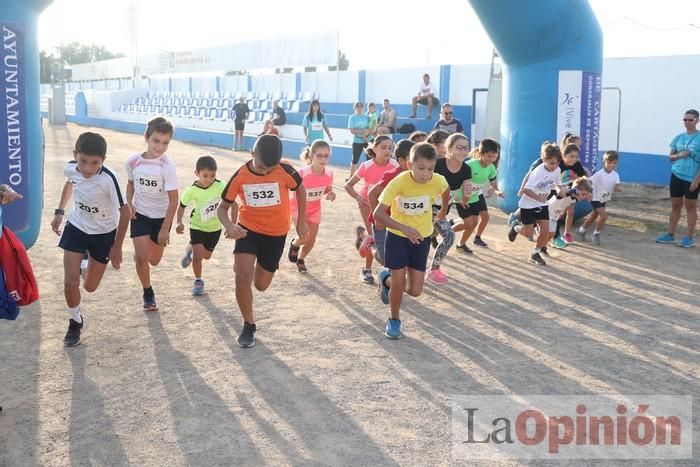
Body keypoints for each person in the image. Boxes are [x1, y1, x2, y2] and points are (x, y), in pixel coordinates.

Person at [217, 134, 308, 348]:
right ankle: (249, 325)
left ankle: (248, 265)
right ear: (252, 154)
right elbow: (222, 208)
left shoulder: (284, 170)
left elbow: (300, 189)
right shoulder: (240, 175)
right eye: (261, 167)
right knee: (242, 279)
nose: (266, 172)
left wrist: (300, 221)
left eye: (270, 168)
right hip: (248, 230)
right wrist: (230, 226)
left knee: (261, 285)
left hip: (276, 235)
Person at [51, 132, 130, 347]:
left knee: (90, 287)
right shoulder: (71, 168)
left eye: (94, 163)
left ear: (103, 160)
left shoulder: (109, 179)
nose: (87, 168)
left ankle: (85, 264)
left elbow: (125, 212)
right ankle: (75, 321)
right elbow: (70, 182)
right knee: (70, 282)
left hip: (103, 235)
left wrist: (117, 246)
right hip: (77, 227)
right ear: (75, 155)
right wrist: (59, 211)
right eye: (82, 161)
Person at [374, 142, 449, 339]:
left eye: (430, 169)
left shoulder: (438, 180)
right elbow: (378, 213)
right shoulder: (399, 182)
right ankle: (394, 320)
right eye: (421, 168)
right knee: (399, 282)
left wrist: (441, 211)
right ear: (410, 165)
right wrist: (404, 229)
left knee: (415, 291)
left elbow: (445, 189)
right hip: (398, 237)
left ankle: (385, 279)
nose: (426, 174)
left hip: (422, 238)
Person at [126, 117, 179, 311]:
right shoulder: (133, 162)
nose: (160, 147)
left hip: (161, 218)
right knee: (141, 257)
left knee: (154, 260)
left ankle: (144, 254)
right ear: (146, 137)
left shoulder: (167, 167)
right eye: (156, 141)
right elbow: (131, 184)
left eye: (165, 143)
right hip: (140, 215)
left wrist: (165, 229)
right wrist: (128, 202)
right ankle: (148, 291)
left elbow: (174, 200)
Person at [345, 135, 399, 284]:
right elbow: (348, 185)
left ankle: (362, 234)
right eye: (383, 147)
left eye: (390, 148)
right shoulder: (366, 166)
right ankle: (367, 270)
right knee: (375, 238)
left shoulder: (395, 165)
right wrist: (358, 198)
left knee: (389, 238)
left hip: (387, 207)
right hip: (367, 205)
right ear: (374, 149)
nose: (388, 151)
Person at [175, 155, 225, 295]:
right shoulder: (192, 190)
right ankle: (198, 281)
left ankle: (191, 250)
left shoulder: (221, 186)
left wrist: (231, 224)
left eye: (212, 175)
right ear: (196, 174)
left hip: (215, 228)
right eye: (205, 175)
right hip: (197, 226)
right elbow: (181, 206)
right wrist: (179, 222)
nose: (209, 179)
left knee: (206, 256)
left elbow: (232, 204)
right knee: (198, 257)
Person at [428, 133, 474, 283]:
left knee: (427, 236)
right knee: (449, 236)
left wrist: (467, 193)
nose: (463, 151)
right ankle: (434, 270)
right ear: (449, 148)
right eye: (459, 147)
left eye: (466, 148)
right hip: (427, 207)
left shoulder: (466, 169)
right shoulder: (438, 164)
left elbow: (465, 199)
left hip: (443, 210)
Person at [507, 143, 562, 266]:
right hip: (528, 205)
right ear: (544, 159)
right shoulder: (538, 172)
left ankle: (535, 253)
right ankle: (515, 227)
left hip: (542, 204)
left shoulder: (557, 170)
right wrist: (538, 198)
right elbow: (526, 189)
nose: (554, 166)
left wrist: (559, 190)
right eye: (551, 163)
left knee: (545, 232)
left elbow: (557, 183)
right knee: (528, 233)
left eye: (557, 163)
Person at [287, 140, 336, 273]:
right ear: (311, 156)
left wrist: (330, 193)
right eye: (319, 155)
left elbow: (327, 189)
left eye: (326, 156)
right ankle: (294, 244)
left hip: (315, 210)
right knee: (305, 237)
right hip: (298, 209)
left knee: (312, 240)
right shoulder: (302, 173)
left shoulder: (329, 174)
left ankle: (301, 259)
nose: (323, 159)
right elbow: (290, 188)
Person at [367, 140, 415, 270]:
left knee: (398, 257)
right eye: (413, 159)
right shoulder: (392, 176)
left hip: (399, 223)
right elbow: (372, 194)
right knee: (384, 259)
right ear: (401, 161)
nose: (417, 162)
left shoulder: (416, 177)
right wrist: (378, 220)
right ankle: (370, 244)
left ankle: (390, 282)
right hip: (382, 221)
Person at [655, 109, 700, 248]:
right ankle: (670, 235)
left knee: (690, 207)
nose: (687, 122)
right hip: (676, 175)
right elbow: (670, 157)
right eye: (685, 119)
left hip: (692, 177)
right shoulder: (679, 137)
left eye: (690, 119)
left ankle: (689, 237)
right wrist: (680, 155)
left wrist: (697, 181)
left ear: (697, 120)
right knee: (675, 206)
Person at [454, 138, 503, 250]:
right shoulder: (469, 165)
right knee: (468, 223)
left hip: (475, 198)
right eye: (489, 156)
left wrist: (497, 191)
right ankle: (446, 231)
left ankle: (461, 244)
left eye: (494, 156)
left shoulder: (491, 168)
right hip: (462, 199)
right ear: (481, 154)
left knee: (473, 223)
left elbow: (493, 183)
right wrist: (457, 197)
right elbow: (456, 180)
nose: (492, 159)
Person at [578, 150, 622, 245]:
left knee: (594, 216)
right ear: (604, 162)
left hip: (604, 199)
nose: (612, 165)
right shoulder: (599, 174)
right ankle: (596, 233)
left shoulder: (616, 175)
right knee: (604, 216)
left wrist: (618, 188)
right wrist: (586, 192)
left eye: (614, 163)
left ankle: (582, 230)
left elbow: (617, 184)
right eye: (609, 162)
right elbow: (589, 182)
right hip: (595, 198)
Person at [547, 178, 593, 249]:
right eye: (583, 194)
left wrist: (562, 212)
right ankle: (553, 240)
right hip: (546, 213)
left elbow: (568, 203)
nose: (584, 196)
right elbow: (561, 191)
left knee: (556, 223)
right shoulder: (567, 192)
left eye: (585, 194)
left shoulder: (576, 198)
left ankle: (554, 239)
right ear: (576, 190)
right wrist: (570, 190)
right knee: (547, 232)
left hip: (554, 214)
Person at [347, 101, 371, 178]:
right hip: (357, 141)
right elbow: (352, 131)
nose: (359, 108)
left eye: (361, 106)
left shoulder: (367, 117)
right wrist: (362, 131)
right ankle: (351, 176)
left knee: (369, 160)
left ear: (363, 108)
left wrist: (367, 132)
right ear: (355, 108)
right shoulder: (352, 117)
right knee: (355, 160)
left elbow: (371, 128)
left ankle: (370, 176)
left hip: (367, 140)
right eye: (357, 106)